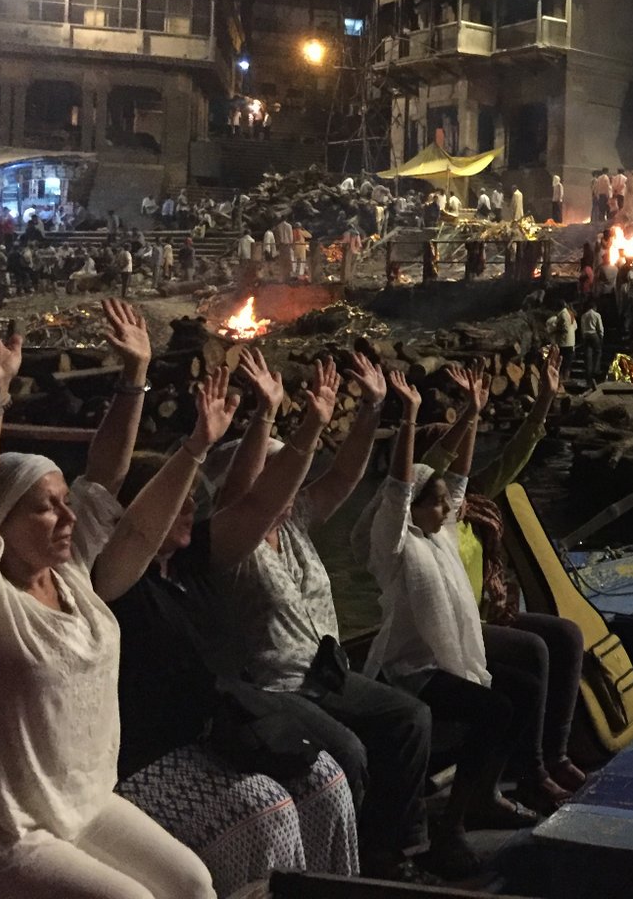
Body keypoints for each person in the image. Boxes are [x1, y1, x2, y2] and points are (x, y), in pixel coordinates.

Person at [0, 302, 219, 899]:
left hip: (88, 802)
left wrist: (136, 378)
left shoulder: (72, 577)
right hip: (13, 829)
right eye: (46, 507)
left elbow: (105, 479)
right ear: (1, 521)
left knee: (194, 884)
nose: (68, 516)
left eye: (64, 502)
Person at [108, 355, 360, 894]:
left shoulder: (192, 559)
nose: (189, 509)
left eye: (190, 501)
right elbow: (124, 511)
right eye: (175, 502)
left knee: (328, 782)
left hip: (224, 723)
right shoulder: (120, 581)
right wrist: (195, 444)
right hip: (157, 749)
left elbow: (261, 503)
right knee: (267, 810)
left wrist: (310, 426)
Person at [207, 354, 436, 881]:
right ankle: (336, 871)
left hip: (326, 675)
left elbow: (345, 475)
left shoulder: (293, 525)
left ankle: (394, 850)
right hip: (275, 687)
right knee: (349, 752)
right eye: (278, 479)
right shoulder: (232, 545)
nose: (290, 489)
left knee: (410, 719)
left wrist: (373, 408)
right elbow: (243, 495)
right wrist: (267, 414)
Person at [356, 369, 572, 875]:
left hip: (445, 661)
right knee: (495, 709)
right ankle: (450, 828)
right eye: (433, 502)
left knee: (521, 691)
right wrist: (408, 418)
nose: (446, 507)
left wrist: (473, 413)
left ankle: (483, 794)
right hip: (411, 671)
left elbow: (458, 482)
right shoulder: (396, 545)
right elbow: (398, 488)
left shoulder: (441, 533)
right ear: (413, 509)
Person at [579, 301, 604, 386]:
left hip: (586, 335)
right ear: (594, 307)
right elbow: (600, 326)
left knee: (588, 356)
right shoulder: (597, 315)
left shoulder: (584, 315)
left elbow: (582, 328)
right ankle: (595, 371)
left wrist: (583, 336)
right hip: (594, 334)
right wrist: (601, 335)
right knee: (598, 352)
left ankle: (588, 375)